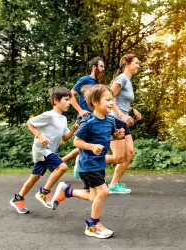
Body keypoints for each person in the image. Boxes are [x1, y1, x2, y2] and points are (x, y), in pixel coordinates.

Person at [51, 84, 125, 239]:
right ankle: (92, 225)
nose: (111, 103)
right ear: (95, 102)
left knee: (93, 197)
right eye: (107, 100)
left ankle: (67, 191)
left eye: (112, 99)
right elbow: (76, 142)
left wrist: (118, 135)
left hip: (99, 164)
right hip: (88, 164)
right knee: (104, 192)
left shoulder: (110, 120)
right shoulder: (88, 122)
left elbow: (108, 137)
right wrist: (91, 147)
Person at [9, 87, 79, 214]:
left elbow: (65, 137)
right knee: (62, 167)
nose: (69, 103)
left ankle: (18, 199)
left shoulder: (63, 119)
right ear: (56, 100)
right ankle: (44, 193)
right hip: (41, 149)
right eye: (66, 100)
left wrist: (73, 131)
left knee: (34, 178)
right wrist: (40, 136)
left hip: (47, 151)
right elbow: (30, 123)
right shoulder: (49, 115)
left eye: (70, 100)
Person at [107, 54, 142, 194]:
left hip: (121, 119)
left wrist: (131, 110)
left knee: (129, 153)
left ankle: (113, 185)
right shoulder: (121, 78)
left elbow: (120, 102)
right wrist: (122, 115)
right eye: (136, 63)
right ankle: (84, 160)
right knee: (119, 157)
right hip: (115, 119)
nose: (138, 65)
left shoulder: (127, 80)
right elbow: (109, 98)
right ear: (127, 64)